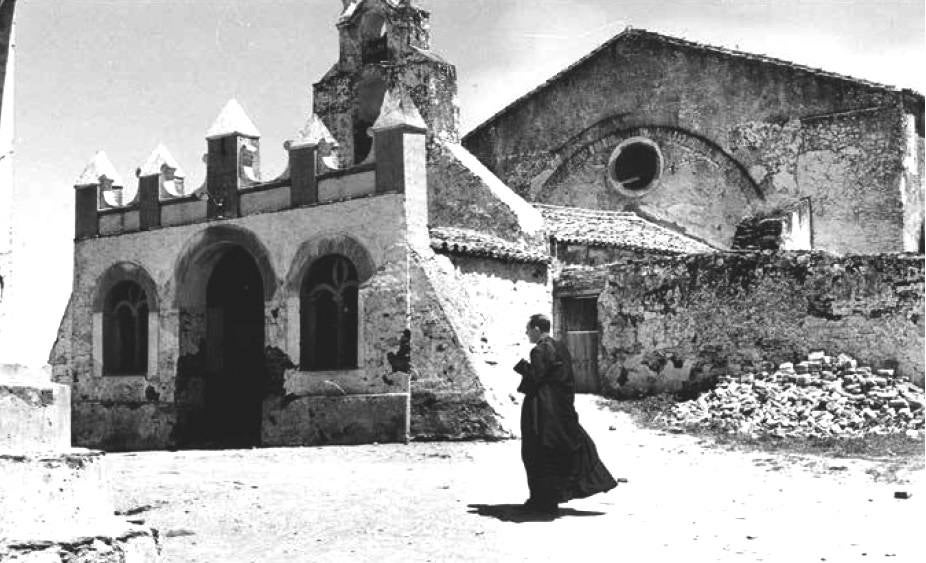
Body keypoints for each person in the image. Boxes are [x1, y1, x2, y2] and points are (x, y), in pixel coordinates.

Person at [514, 313, 617, 514]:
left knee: (537, 453)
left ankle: (542, 501)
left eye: (528, 329)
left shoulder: (540, 350)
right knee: (559, 451)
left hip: (543, 411)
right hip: (560, 410)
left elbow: (536, 377)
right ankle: (549, 498)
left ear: (536, 329)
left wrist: (521, 367)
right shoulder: (560, 347)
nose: (526, 333)